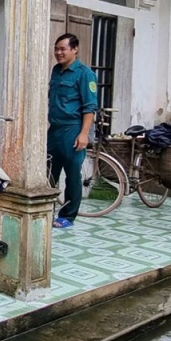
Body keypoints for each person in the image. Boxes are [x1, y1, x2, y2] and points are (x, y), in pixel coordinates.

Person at [48, 32, 98, 229]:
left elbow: (90, 107)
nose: (58, 53)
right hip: (55, 129)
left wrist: (84, 133)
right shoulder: (56, 70)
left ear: (74, 49)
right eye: (56, 49)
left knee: (72, 174)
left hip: (73, 129)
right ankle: (46, 210)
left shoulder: (85, 74)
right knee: (48, 172)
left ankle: (68, 216)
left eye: (63, 49)